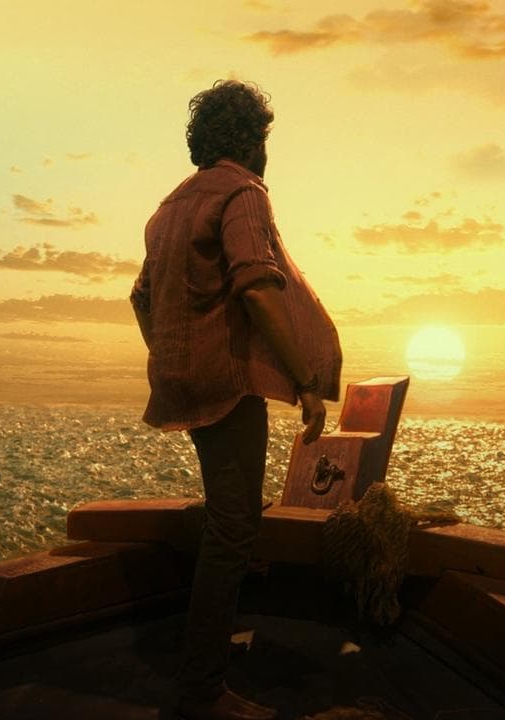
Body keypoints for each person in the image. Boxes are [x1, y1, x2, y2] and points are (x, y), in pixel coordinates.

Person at [130, 79, 342, 720]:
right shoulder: (242, 193)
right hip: (226, 385)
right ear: (252, 141)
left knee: (230, 514)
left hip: (184, 381)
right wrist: (305, 382)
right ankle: (201, 689)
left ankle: (207, 654)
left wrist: (173, 353)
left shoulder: (168, 208)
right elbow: (255, 284)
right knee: (233, 528)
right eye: (264, 140)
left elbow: (142, 298)